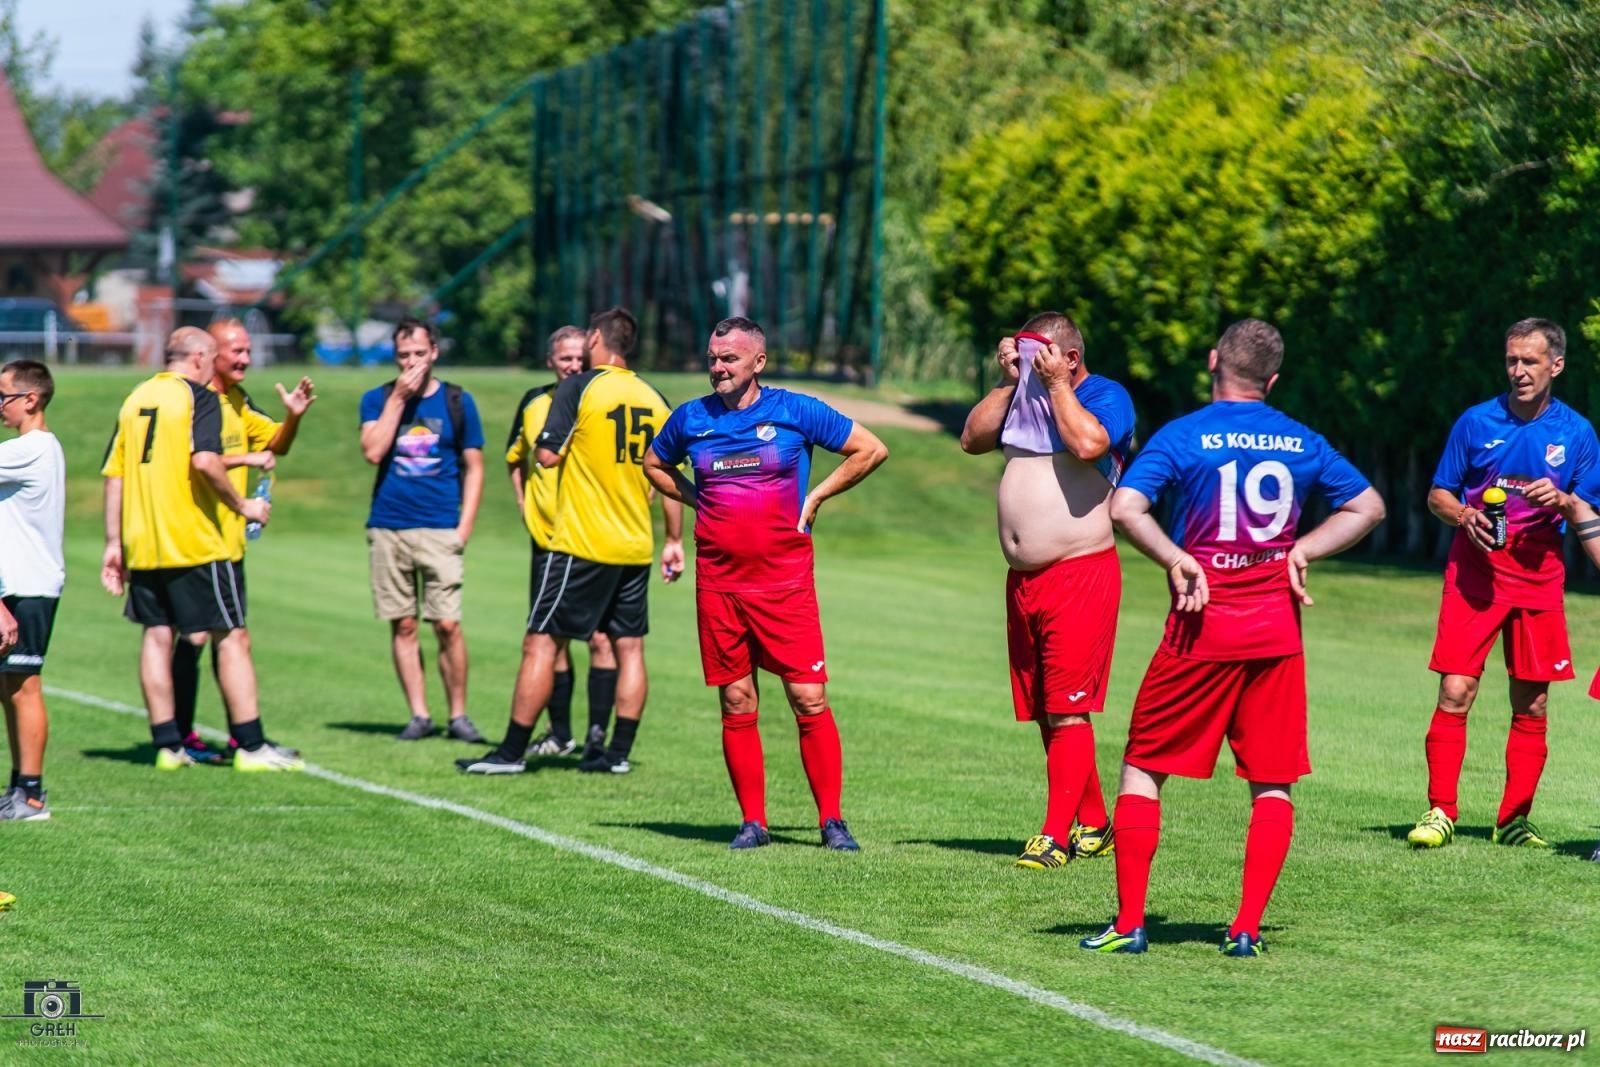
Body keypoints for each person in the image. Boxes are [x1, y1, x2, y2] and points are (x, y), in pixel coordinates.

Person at [1083, 319, 1383, 957]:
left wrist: (1175, 558)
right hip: (1276, 633)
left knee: (1143, 766)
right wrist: (1302, 548)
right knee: (1271, 782)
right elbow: (1368, 507)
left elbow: (1124, 508)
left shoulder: (1184, 434)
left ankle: (1130, 924)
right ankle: (1245, 928)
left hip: (1200, 630)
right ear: (1271, 380)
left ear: (1214, 359)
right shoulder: (1303, 441)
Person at [643, 317, 888, 849]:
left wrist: (817, 496)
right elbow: (654, 463)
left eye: (729, 358)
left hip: (785, 581)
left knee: (808, 698)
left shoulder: (795, 411)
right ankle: (753, 823)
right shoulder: (690, 418)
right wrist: (694, 499)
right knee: (735, 699)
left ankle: (832, 822)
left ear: (759, 362)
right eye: (712, 357)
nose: (717, 367)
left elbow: (870, 449)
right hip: (719, 584)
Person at [458, 306, 682, 776]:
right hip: (635, 544)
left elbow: (546, 456)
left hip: (582, 543)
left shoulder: (579, 388)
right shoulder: (655, 398)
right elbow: (669, 475)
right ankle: (617, 755)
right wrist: (674, 539)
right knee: (630, 648)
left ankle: (511, 753)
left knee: (539, 642)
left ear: (597, 338)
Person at [1406, 319, 1598, 851]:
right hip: (1475, 577)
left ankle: (1513, 819)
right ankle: (1441, 810)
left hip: (1539, 579)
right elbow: (1437, 495)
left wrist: (1560, 499)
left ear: (1555, 366)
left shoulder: (1577, 433)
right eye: (1512, 360)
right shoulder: (1475, 422)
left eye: (1530, 362)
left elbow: (1587, 508)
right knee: (1455, 690)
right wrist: (1464, 515)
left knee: (1533, 703)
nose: (1518, 371)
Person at [958, 312, 1133, 869]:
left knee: (1067, 711)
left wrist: (1057, 385)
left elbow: (1088, 445)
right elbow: (971, 439)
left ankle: (1054, 835)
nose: (1030, 366)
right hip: (1025, 580)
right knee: (1044, 710)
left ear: (1070, 358)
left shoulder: (1104, 394)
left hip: (1080, 571)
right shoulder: (1021, 395)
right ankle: (1095, 824)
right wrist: (1011, 382)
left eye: (1039, 357)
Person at [100, 327, 304, 771]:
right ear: (197, 358)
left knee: (156, 637)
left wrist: (114, 543)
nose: (213, 368)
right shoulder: (198, 397)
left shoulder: (135, 398)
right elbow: (205, 460)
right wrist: (243, 504)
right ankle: (251, 747)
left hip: (144, 542)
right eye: (212, 358)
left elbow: (114, 473)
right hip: (193, 540)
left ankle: (168, 746)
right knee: (230, 636)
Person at [170, 319, 317, 764]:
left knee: (210, 635)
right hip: (199, 536)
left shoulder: (237, 398)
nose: (245, 359)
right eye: (236, 351)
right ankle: (227, 740)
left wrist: (292, 416)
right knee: (218, 636)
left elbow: (276, 445)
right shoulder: (195, 400)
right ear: (210, 353)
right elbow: (196, 460)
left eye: (248, 351)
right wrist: (245, 460)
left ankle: (202, 738)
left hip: (226, 539)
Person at [359, 316, 487, 743]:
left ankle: (458, 714)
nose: (411, 362)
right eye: (403, 355)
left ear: (434, 352)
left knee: (447, 624)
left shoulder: (457, 400)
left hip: (440, 528)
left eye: (418, 353)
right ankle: (419, 714)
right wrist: (398, 398)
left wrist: (463, 528)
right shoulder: (377, 399)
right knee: (404, 624)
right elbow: (373, 452)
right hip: (389, 526)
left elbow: (475, 467)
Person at [505, 325, 618, 758]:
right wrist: (524, 504)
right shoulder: (534, 402)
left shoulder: (598, 400)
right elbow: (516, 458)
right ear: (550, 361)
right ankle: (560, 732)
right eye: (564, 358)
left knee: (599, 638)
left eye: (579, 358)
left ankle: (596, 738)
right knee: (551, 640)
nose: (573, 365)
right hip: (548, 540)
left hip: (590, 538)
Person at [0, 360, 66, 819]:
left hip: (28, 586)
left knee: (24, 687)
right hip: (19, 584)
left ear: (31, 399)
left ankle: (32, 794)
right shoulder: (29, 448)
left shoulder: (33, 448)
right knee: (10, 687)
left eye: (3, 396)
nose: (0, 405)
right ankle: (18, 789)